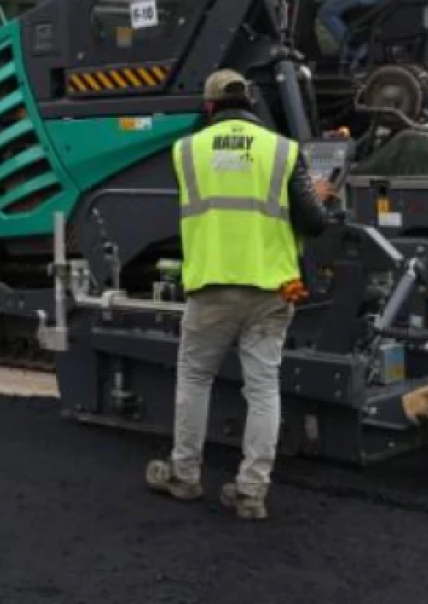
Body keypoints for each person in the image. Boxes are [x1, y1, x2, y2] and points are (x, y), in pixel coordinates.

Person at [146, 70, 332, 520]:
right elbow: (314, 222)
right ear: (251, 103)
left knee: (194, 379)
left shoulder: (185, 151)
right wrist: (321, 195)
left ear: (209, 107)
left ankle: (185, 476)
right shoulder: (283, 152)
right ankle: (251, 492)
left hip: (210, 288)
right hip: (270, 289)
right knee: (263, 388)